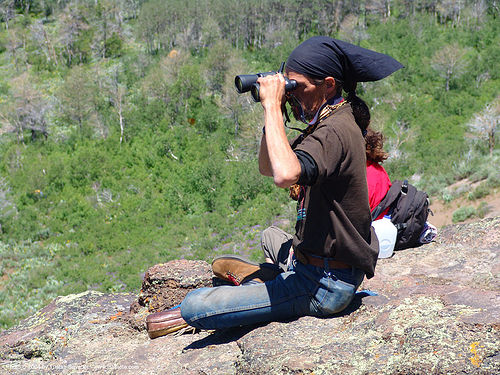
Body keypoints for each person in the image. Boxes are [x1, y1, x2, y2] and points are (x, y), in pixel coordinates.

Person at [145, 36, 403, 338]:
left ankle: (249, 295)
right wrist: (276, 112)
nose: (293, 96)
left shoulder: (334, 131)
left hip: (324, 285)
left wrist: (270, 105)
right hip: (319, 264)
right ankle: (264, 285)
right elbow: (268, 166)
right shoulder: (330, 118)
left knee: (194, 305)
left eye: (298, 88)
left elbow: (284, 175)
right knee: (271, 237)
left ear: (329, 84)